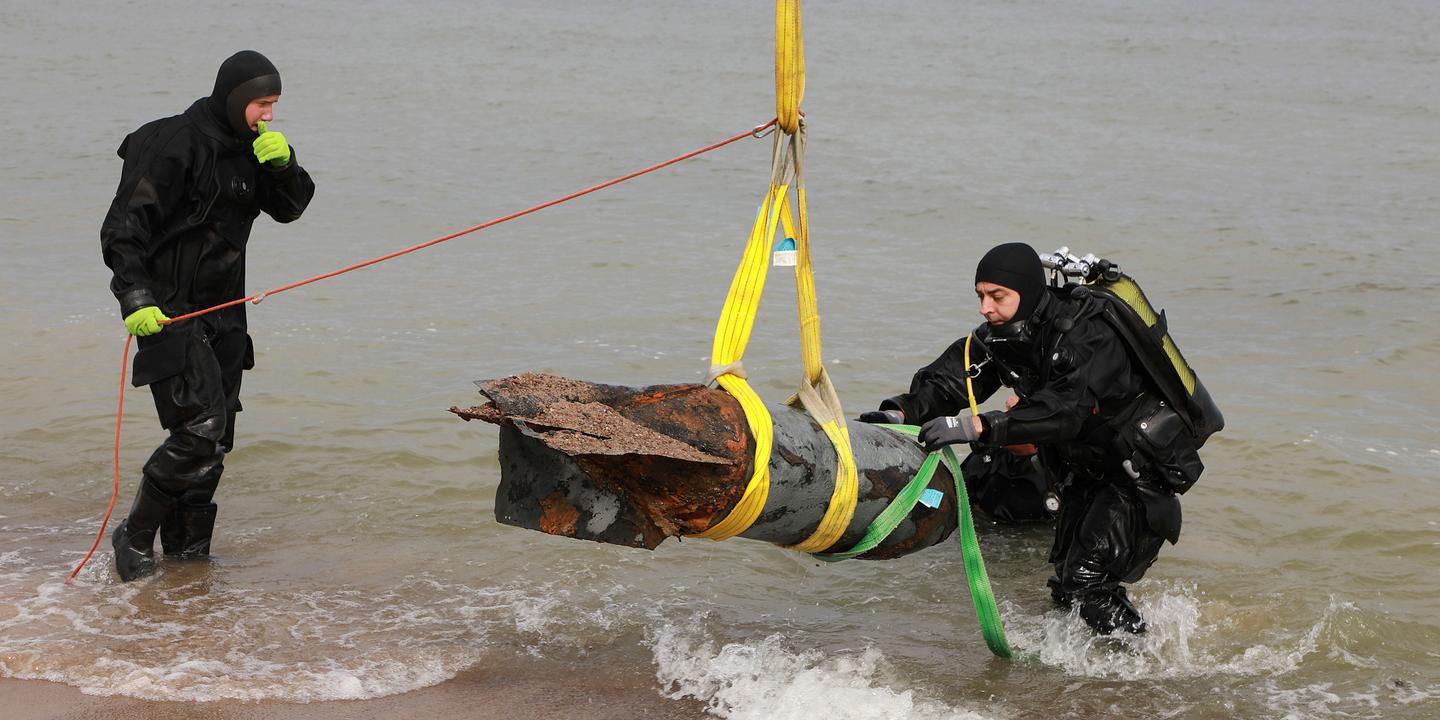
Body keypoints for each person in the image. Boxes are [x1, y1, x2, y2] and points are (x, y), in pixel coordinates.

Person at [859, 242, 1209, 634]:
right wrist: (899, 412)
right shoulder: (1009, 335)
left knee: (1086, 581)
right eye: (980, 296)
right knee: (1064, 589)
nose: (984, 308)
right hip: (1084, 469)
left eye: (997, 297)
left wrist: (977, 427)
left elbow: (1064, 410)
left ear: (1025, 293)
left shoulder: (1088, 335)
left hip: (1137, 474)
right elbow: (952, 378)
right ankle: (1086, 680)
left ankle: (1147, 664)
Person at [100, 50, 315, 581]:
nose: (268, 114)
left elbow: (290, 208)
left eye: (275, 105)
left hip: (226, 314)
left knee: (218, 443)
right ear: (236, 97)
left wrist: (284, 166)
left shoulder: (253, 149)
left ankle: (189, 558)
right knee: (198, 429)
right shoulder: (170, 143)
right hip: (168, 313)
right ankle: (133, 534)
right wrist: (134, 299)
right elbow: (122, 230)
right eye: (262, 103)